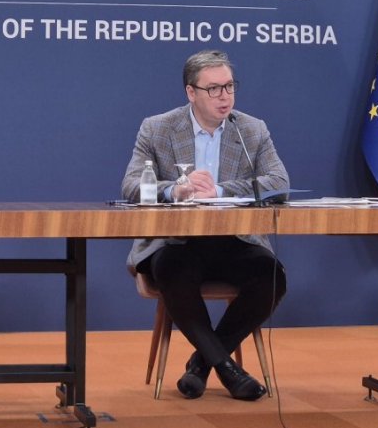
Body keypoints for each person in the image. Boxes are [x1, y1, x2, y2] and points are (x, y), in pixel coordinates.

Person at [121, 50, 288, 401]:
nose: (224, 96)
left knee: (271, 276)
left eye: (229, 86)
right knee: (171, 269)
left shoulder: (252, 129)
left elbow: (278, 183)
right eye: (213, 89)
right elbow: (132, 186)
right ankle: (229, 370)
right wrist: (174, 189)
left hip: (233, 240)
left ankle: (203, 364)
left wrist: (222, 190)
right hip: (177, 242)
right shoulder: (158, 128)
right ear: (191, 92)